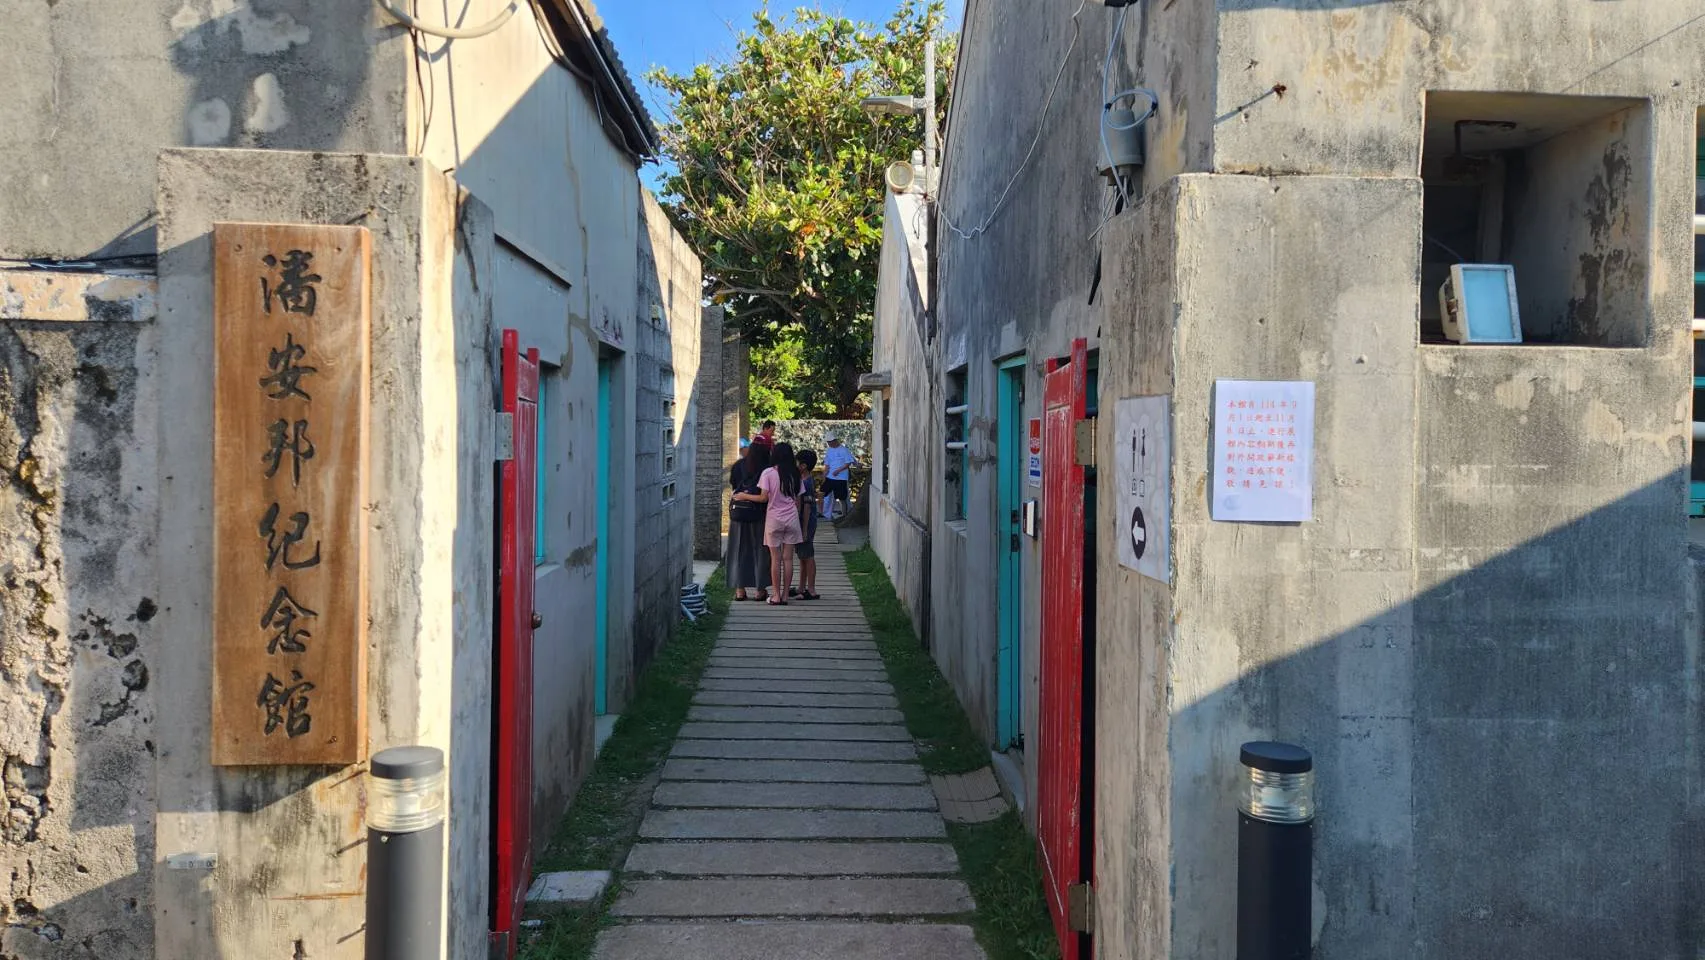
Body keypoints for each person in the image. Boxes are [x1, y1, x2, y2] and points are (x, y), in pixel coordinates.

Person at [737, 441, 804, 606]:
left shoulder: (768, 473)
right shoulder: (795, 474)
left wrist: (743, 496)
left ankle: (775, 595)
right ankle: (786, 595)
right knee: (788, 559)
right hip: (792, 519)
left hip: (774, 519)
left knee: (775, 559)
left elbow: (763, 498)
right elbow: (798, 500)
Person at [725, 442, 772, 601]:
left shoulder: (738, 465)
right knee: (761, 551)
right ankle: (760, 590)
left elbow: (733, 486)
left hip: (739, 514)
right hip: (759, 514)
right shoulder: (767, 468)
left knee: (738, 550)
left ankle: (740, 590)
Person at [792, 448, 820, 600]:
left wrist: (803, 530)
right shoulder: (803, 479)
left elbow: (807, 508)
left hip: (806, 523)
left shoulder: (807, 483)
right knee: (802, 556)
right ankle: (801, 587)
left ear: (803, 466)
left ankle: (811, 589)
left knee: (808, 555)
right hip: (801, 522)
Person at [821, 434, 858, 520]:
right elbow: (827, 463)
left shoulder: (844, 450)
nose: (829, 444)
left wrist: (838, 470)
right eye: (828, 442)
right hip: (830, 477)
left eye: (829, 442)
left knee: (842, 498)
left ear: (834, 441)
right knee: (825, 494)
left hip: (841, 478)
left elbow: (848, 462)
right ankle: (826, 514)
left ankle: (844, 515)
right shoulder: (829, 450)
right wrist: (824, 474)